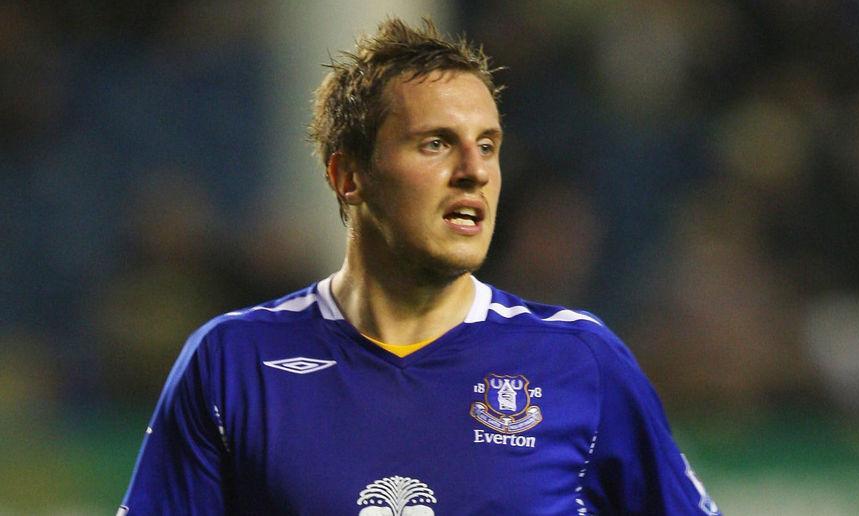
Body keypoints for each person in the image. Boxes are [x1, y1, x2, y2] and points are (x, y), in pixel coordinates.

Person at [119, 18, 721, 515]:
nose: (474, 170)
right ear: (347, 175)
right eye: (436, 143)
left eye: (488, 146)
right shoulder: (233, 363)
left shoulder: (580, 361)